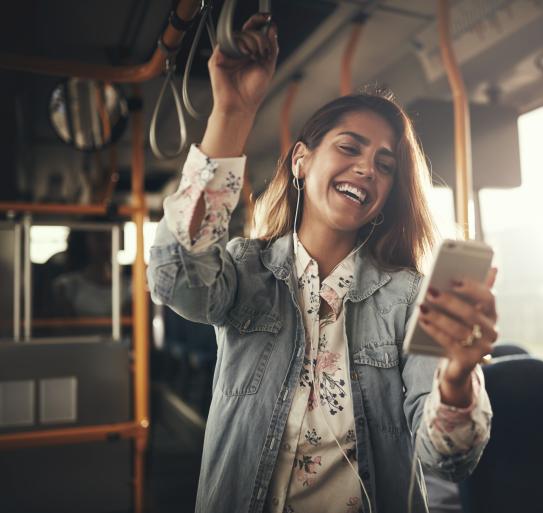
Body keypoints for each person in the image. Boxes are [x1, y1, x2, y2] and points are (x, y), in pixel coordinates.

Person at [148, 14, 497, 513]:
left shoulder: (409, 298)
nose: (366, 168)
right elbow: (174, 277)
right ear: (300, 161)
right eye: (350, 148)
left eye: (384, 164)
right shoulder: (247, 271)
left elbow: (447, 460)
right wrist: (232, 111)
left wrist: (457, 380)